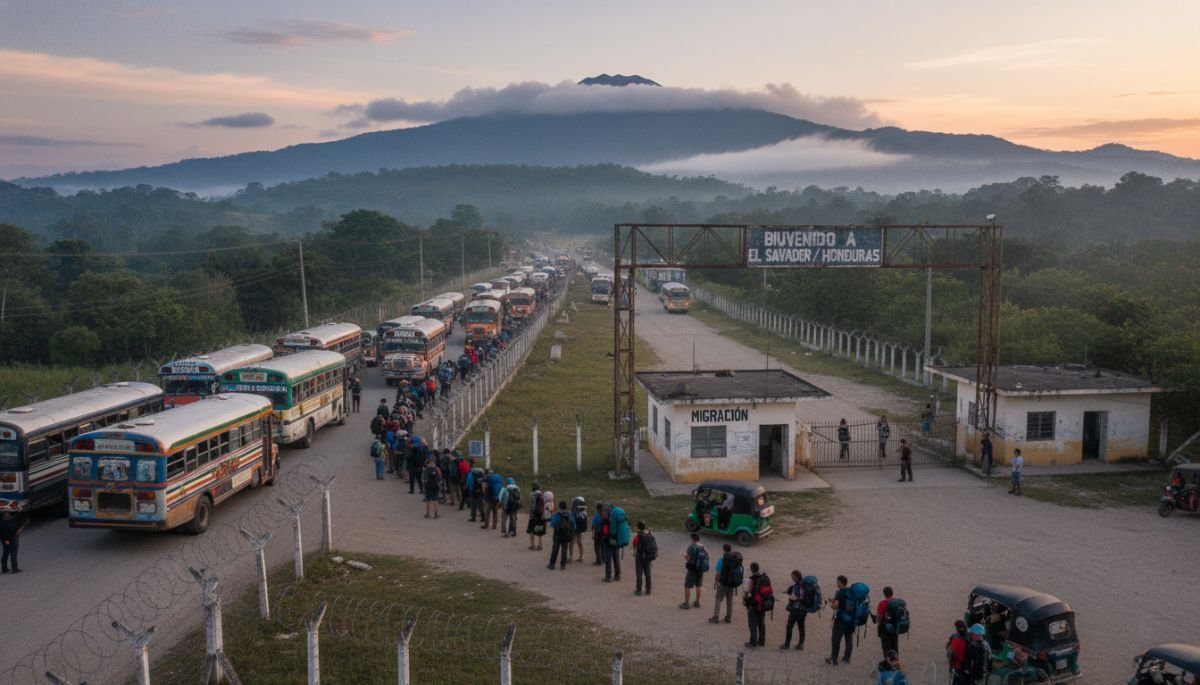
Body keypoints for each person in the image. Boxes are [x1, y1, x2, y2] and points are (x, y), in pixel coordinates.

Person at [709, 544, 740, 624]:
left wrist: (716, 581)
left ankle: (716, 617)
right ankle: (728, 617)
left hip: (723, 582)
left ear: (724, 549)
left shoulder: (722, 559)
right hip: (732, 583)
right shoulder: (735, 559)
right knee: (729, 600)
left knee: (718, 599)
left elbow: (718, 572)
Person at [826, 575, 853, 666]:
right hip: (851, 619)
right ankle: (847, 658)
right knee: (848, 639)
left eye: (837, 582)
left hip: (841, 619)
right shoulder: (850, 592)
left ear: (841, 582)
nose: (837, 583)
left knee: (836, 639)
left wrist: (832, 605)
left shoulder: (840, 593)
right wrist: (833, 601)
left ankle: (834, 658)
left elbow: (836, 606)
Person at [744, 562, 770, 649]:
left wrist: (745, 599)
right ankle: (762, 640)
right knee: (761, 623)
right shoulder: (765, 577)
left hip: (754, 603)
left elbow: (746, 591)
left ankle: (753, 642)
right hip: (763, 603)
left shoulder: (751, 579)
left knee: (752, 623)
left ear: (751, 569)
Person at [781, 569, 806, 650]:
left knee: (789, 626)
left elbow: (802, 597)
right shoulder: (802, 584)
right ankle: (801, 644)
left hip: (796, 609)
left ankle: (787, 644)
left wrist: (795, 598)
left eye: (792, 577)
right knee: (801, 626)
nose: (792, 578)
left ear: (796, 576)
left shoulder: (800, 585)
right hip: (803, 610)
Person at [680, 532, 706, 609]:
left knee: (687, 586)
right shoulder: (702, 547)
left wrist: (684, 555)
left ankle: (686, 604)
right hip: (700, 569)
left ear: (693, 539)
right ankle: (697, 602)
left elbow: (688, 558)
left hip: (692, 569)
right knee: (698, 586)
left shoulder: (691, 547)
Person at [632, 521, 656, 596]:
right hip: (648, 557)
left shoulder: (639, 536)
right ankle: (648, 590)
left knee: (639, 573)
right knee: (647, 573)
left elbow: (634, 544)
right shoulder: (649, 534)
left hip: (640, 556)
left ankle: (639, 590)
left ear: (638, 527)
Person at [874, 586, 899, 658]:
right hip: (895, 628)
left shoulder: (882, 603)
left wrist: (879, 627)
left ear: (884, 594)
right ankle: (896, 666)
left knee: (887, 649)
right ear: (892, 593)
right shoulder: (897, 602)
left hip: (885, 629)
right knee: (895, 648)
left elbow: (879, 617)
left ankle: (889, 666)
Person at [548, 501, 572, 570]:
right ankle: (563, 565)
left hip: (557, 534)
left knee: (555, 550)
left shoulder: (556, 515)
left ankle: (552, 564)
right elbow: (573, 524)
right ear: (566, 506)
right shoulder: (569, 514)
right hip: (566, 535)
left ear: (559, 506)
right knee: (564, 550)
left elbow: (552, 524)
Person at [947, 619, 970, 684]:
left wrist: (951, 666)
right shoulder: (969, 636)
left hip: (959, 666)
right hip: (968, 666)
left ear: (957, 629)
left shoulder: (955, 640)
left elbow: (952, 655)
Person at [526, 483, 545, 550]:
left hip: (533, 516)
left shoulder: (533, 496)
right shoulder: (542, 496)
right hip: (540, 516)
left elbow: (532, 507)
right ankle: (540, 545)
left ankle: (533, 545)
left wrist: (531, 516)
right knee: (539, 531)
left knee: (531, 530)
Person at [571, 496, 588, 562]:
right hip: (581, 529)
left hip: (574, 529)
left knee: (571, 543)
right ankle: (581, 557)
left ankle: (571, 557)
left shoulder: (573, 513)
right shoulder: (585, 513)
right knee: (580, 543)